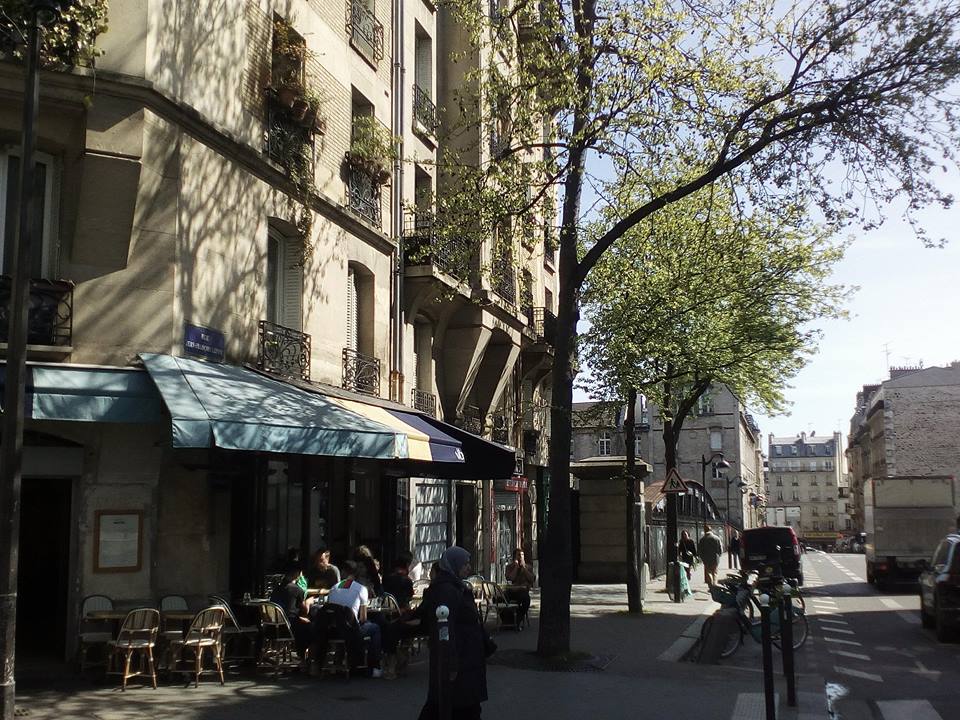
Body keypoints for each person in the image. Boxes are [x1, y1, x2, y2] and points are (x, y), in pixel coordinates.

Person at [417, 546, 489, 720]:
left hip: (466, 656)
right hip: (460, 657)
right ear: (454, 565)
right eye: (465, 564)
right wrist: (450, 661)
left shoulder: (454, 586)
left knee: (457, 706)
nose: (468, 568)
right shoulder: (447, 590)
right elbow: (444, 627)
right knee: (454, 705)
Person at [326, 561, 383, 678]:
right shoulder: (361, 589)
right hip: (351, 630)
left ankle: (339, 658)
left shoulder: (333, 589)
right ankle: (374, 666)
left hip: (335, 630)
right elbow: (363, 618)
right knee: (375, 628)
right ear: (356, 574)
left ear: (342, 573)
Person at [269, 564, 314, 657]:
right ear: (297, 574)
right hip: (289, 628)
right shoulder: (297, 590)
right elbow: (305, 610)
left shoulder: (276, 589)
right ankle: (303, 657)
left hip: (272, 628)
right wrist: (309, 602)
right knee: (311, 627)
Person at [503, 548, 535, 626]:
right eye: (519, 555)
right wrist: (516, 567)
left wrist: (524, 568)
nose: (521, 557)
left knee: (526, 599)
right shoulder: (509, 567)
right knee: (498, 598)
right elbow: (510, 578)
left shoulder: (528, 567)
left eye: (522, 555)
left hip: (522, 592)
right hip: (512, 591)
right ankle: (507, 620)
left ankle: (518, 619)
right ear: (514, 557)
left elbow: (532, 579)